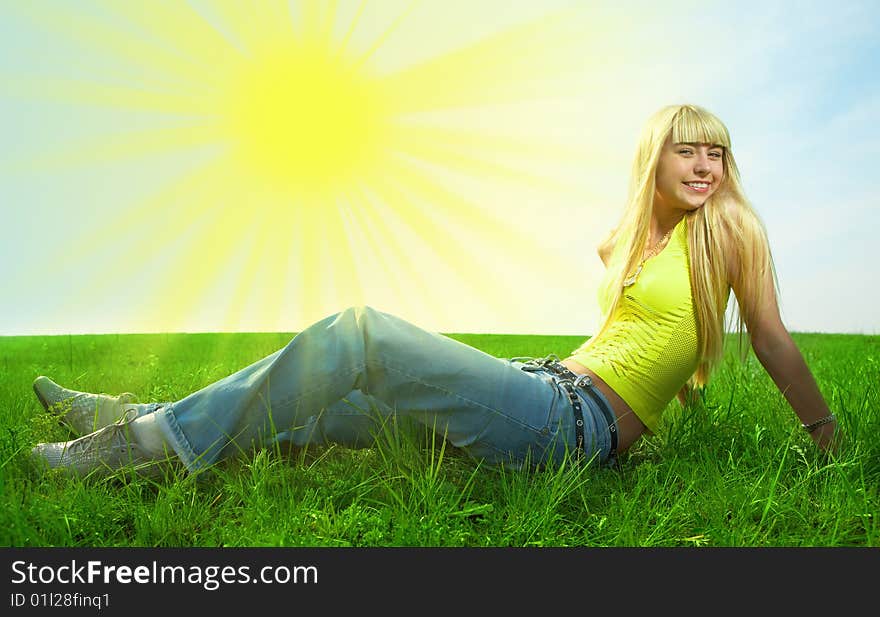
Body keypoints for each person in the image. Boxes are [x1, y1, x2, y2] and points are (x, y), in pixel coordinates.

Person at [30, 104, 838, 479]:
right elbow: (641, 314)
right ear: (653, 159)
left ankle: (134, 448)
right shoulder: (629, 239)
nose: (705, 167)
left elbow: (768, 337)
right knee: (324, 407)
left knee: (361, 334)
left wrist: (827, 436)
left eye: (718, 155)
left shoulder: (732, 230)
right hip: (544, 382)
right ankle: (130, 414)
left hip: (572, 427)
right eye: (687, 152)